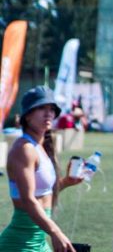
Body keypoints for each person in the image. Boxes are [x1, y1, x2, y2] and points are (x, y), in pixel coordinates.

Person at [0, 85, 84, 252]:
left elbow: (42, 194)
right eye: (41, 108)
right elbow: (28, 199)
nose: (48, 113)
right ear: (28, 115)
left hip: (39, 241)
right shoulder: (24, 149)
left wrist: (66, 181)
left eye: (51, 109)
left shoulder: (40, 147)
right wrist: (56, 232)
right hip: (20, 244)